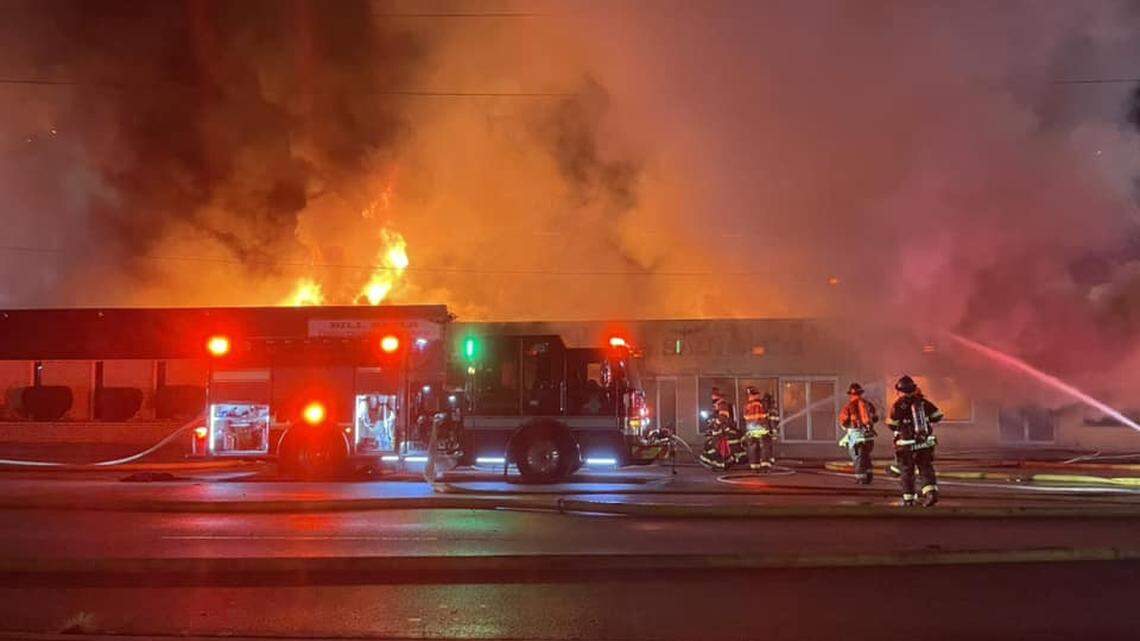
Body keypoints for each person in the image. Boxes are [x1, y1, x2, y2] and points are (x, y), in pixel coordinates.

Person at [886, 375, 944, 506]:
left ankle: (909, 499)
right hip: (924, 443)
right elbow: (938, 416)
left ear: (900, 391)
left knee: (906, 471)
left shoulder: (898, 405)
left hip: (905, 444)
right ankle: (931, 493)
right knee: (925, 468)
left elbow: (892, 424)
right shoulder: (923, 402)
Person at [838, 382, 878, 484]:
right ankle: (869, 476)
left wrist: (846, 427)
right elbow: (875, 418)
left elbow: (843, 421)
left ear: (851, 394)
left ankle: (861, 478)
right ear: (861, 393)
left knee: (858, 458)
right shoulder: (868, 404)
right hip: (869, 437)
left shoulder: (849, 407)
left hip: (856, 438)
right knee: (866, 456)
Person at [742, 386, 779, 471]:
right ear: (756, 394)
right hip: (762, 429)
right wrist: (773, 430)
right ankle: (765, 466)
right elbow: (768, 417)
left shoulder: (747, 406)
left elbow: (745, 418)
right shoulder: (762, 404)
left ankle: (755, 466)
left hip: (751, 430)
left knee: (753, 448)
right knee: (765, 446)